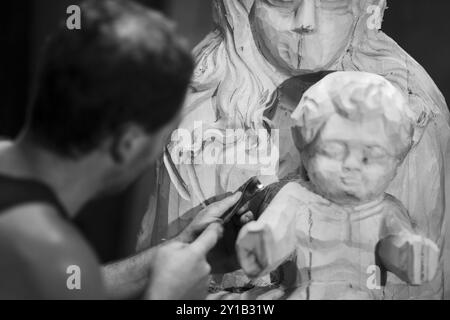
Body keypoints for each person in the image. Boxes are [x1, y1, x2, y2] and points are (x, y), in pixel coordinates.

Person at [138, 0, 450, 296]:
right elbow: (177, 284)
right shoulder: (202, 108)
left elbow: (420, 290)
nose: (306, 22)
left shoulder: (409, 108)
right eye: (282, 0)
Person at [0, 0, 246, 300]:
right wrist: (167, 295)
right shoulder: (46, 249)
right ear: (127, 144)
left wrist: (170, 254)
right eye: (165, 134)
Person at [236, 72, 440, 300]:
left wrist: (408, 257)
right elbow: (277, 232)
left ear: (396, 162)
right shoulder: (296, 197)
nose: (351, 166)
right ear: (305, 149)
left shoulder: (387, 210)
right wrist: (262, 248)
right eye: (333, 151)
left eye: (369, 156)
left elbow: (395, 246)